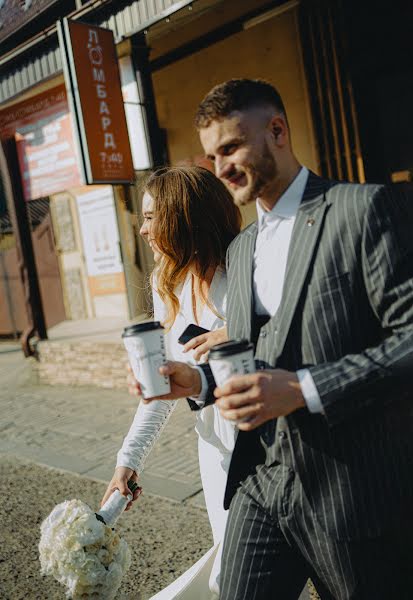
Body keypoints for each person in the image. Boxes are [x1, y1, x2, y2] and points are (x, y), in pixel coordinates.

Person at [147, 79, 413, 599]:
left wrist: (304, 389)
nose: (221, 167)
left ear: (277, 131)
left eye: (231, 147)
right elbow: (256, 352)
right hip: (261, 482)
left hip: (349, 487)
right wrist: (197, 382)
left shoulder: (364, 210)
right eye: (211, 155)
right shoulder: (242, 248)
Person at [101, 165, 242, 598]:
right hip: (216, 453)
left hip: (271, 448)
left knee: (239, 576)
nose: (142, 231)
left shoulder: (243, 275)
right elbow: (162, 392)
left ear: (184, 218)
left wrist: (236, 332)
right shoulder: (171, 289)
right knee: (233, 571)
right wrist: (128, 461)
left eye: (149, 217)